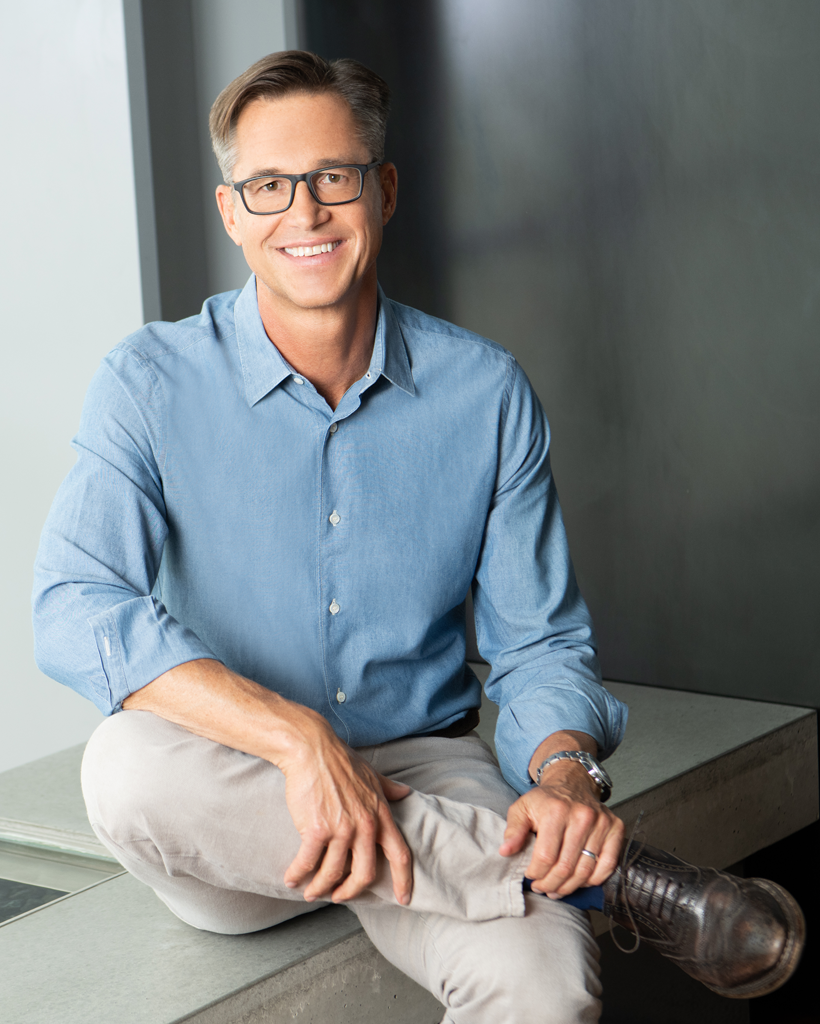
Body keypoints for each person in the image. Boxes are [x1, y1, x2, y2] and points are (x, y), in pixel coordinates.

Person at [32, 51, 803, 1022]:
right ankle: (607, 882)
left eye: (334, 178)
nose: (303, 213)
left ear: (383, 191)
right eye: (269, 186)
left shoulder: (485, 394)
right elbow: (73, 605)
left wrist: (565, 779)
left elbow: (541, 644)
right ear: (232, 213)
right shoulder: (146, 380)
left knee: (546, 987)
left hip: (422, 763)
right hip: (238, 789)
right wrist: (296, 737)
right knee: (124, 767)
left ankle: (532, 865)